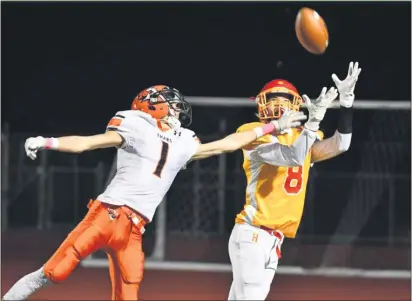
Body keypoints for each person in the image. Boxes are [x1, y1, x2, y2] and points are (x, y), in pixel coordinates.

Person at [2, 84, 309, 301]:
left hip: (135, 230)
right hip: (106, 214)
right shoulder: (134, 124)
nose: (177, 108)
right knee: (53, 272)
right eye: (171, 103)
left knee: (129, 294)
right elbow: (88, 142)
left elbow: (226, 145)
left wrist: (272, 127)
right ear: (152, 103)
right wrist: (47, 142)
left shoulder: (185, 139)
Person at [227, 62, 362, 300]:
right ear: (260, 105)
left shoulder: (304, 138)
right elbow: (292, 156)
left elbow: (342, 144)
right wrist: (312, 125)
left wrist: (346, 103)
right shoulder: (253, 133)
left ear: (296, 105)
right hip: (253, 233)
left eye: (284, 99)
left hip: (272, 239)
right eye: (272, 99)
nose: (278, 105)